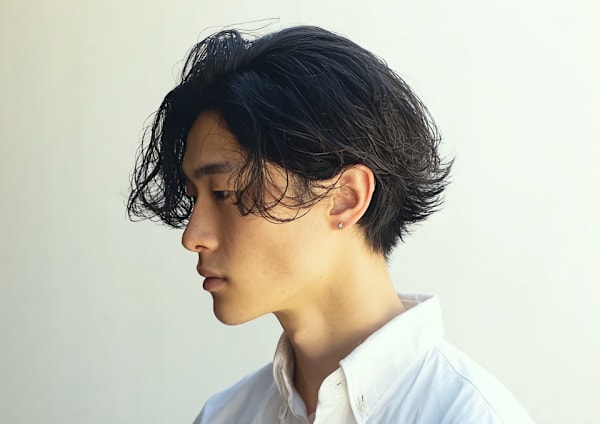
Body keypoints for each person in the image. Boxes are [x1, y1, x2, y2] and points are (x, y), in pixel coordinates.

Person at [128, 25, 533, 423]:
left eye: (223, 193)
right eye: (193, 198)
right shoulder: (225, 415)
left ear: (345, 197)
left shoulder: (469, 415)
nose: (192, 236)